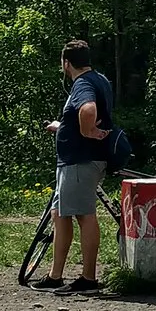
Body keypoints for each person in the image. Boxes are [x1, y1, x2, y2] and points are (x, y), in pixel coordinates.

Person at [35, 39, 116, 294]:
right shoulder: (100, 79)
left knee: (84, 215)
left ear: (66, 63)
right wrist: (64, 127)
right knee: (59, 214)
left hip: (81, 160)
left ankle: (89, 279)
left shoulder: (82, 84)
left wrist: (87, 131)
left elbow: (88, 109)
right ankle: (55, 275)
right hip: (74, 161)